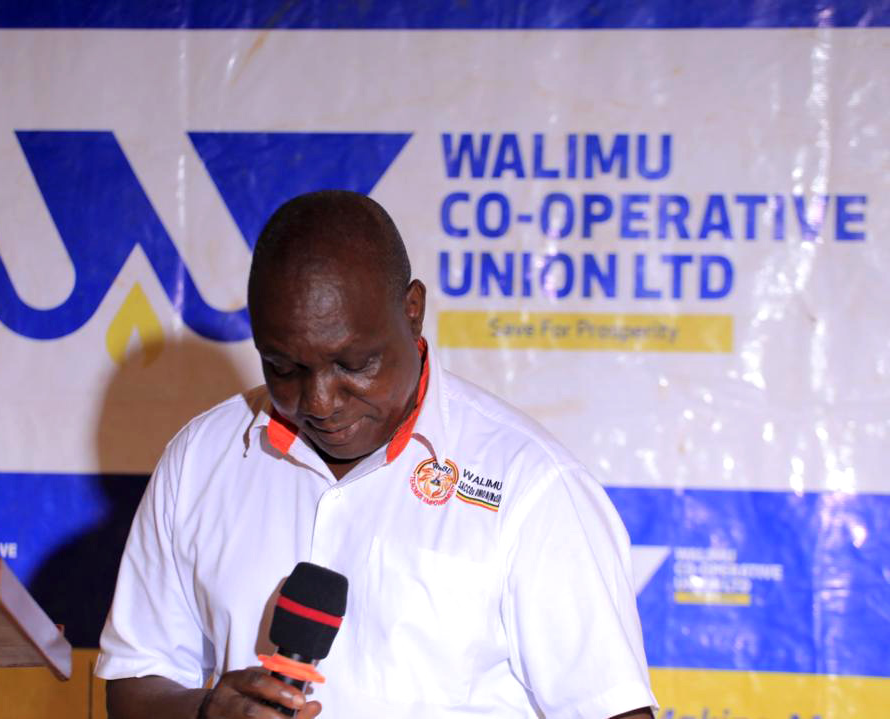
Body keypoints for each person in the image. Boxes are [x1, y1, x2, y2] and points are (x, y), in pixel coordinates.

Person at [96, 190, 657, 719]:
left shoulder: (531, 486)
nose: (319, 401)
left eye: (354, 364)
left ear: (413, 310)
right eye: (285, 368)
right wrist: (205, 710)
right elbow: (134, 681)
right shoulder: (199, 459)